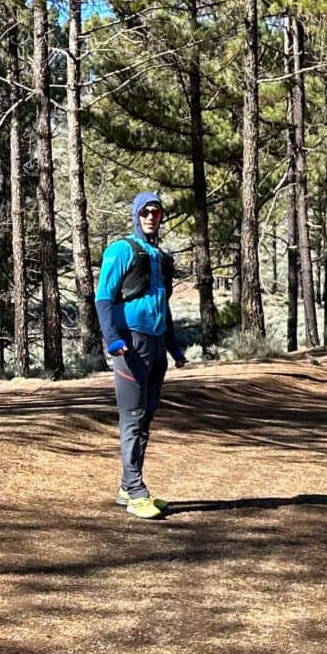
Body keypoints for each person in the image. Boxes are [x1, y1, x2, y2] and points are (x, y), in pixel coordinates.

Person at [97, 192, 189, 519]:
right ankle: (137, 492)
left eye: (157, 212)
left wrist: (175, 349)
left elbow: (162, 307)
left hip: (156, 347)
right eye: (145, 212)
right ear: (136, 215)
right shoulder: (122, 250)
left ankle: (127, 486)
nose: (151, 216)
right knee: (133, 417)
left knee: (146, 416)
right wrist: (112, 339)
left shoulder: (161, 257)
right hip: (130, 345)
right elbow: (104, 298)